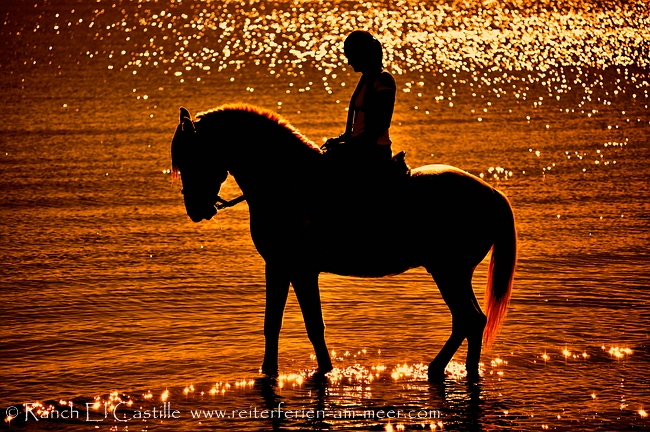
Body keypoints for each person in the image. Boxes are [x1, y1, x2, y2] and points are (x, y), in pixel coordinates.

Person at [323, 31, 396, 168]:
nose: (349, 62)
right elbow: (359, 125)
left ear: (362, 54)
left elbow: (381, 124)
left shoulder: (383, 80)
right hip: (360, 148)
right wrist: (342, 139)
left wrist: (351, 146)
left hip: (375, 152)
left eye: (351, 56)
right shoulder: (366, 79)